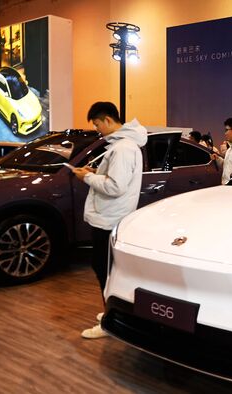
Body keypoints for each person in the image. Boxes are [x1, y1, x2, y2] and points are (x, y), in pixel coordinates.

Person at [72, 102, 147, 339]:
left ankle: (110, 320)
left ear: (106, 120)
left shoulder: (123, 148)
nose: (97, 129)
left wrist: (87, 179)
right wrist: (94, 174)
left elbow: (115, 187)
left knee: (105, 269)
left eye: (96, 124)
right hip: (109, 216)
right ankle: (112, 312)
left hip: (110, 218)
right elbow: (115, 179)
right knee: (105, 268)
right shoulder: (122, 146)